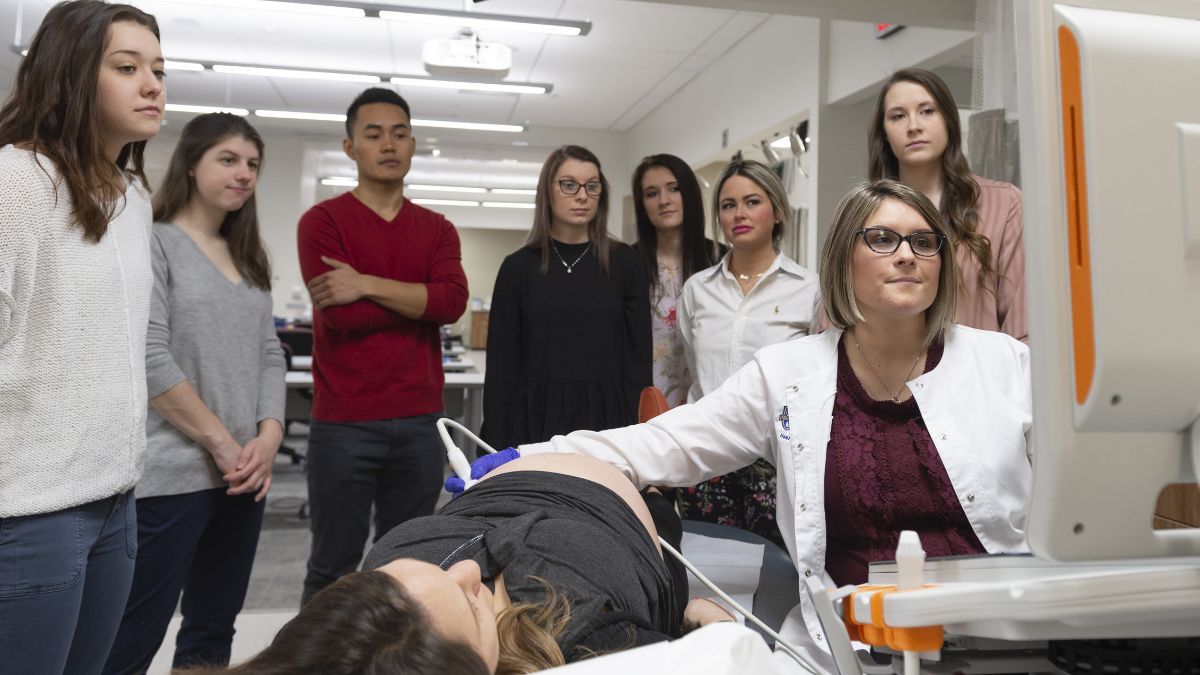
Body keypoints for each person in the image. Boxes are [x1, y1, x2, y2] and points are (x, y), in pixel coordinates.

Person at [463, 179, 1033, 670]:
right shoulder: (791, 372)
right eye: (882, 239)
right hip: (845, 649)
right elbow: (667, 441)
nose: (907, 254)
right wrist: (529, 456)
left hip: (997, 641)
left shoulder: (1005, 364)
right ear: (842, 259)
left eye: (924, 241)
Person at [194, 454, 729, 675]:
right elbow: (733, 660)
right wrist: (716, 630)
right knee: (667, 521)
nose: (470, 572)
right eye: (474, 608)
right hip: (632, 525)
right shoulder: (594, 642)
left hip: (500, 485)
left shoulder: (336, 649)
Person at [0, 2, 164, 672]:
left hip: (117, 498)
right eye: (127, 67)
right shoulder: (18, 182)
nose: (152, 84)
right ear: (72, 75)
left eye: (158, 68)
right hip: (32, 507)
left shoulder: (133, 198)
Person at [102, 114, 285, 673]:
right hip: (174, 473)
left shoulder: (248, 256)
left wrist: (269, 437)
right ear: (191, 163)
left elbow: (270, 355)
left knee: (212, 627)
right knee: (136, 629)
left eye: (252, 164)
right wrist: (223, 445)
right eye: (228, 160)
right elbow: (151, 358)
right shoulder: (154, 243)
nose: (244, 174)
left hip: (244, 476)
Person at [297, 87, 469, 604]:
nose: (388, 144)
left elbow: (451, 303)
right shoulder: (323, 222)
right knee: (333, 564)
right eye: (373, 134)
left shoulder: (437, 229)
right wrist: (418, 300)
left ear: (413, 145)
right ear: (350, 147)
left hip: (420, 422)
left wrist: (366, 283)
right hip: (344, 424)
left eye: (399, 134)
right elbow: (343, 315)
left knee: (409, 566)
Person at [675, 159, 818, 546]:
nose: (739, 213)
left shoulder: (809, 289)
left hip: (776, 459)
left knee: (778, 576)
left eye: (752, 201)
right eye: (727, 204)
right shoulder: (697, 290)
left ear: (777, 211)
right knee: (706, 571)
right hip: (705, 457)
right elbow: (693, 370)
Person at [482, 145, 651, 450]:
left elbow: (637, 362)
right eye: (569, 185)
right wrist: (495, 443)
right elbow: (501, 367)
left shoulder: (625, 263)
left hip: (607, 424)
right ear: (547, 191)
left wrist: (639, 437)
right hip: (533, 421)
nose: (582, 195)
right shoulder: (518, 267)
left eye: (592, 186)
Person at [868, 67, 1026, 341]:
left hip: (978, 379)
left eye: (927, 111)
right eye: (898, 116)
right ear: (884, 133)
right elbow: (837, 312)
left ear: (948, 121)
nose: (914, 126)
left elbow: (1022, 323)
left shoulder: (1004, 204)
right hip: (886, 376)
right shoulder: (864, 213)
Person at [631, 153, 723, 409]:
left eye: (674, 189)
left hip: (708, 404)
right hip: (643, 405)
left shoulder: (722, 260)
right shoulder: (627, 263)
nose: (664, 201)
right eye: (651, 193)